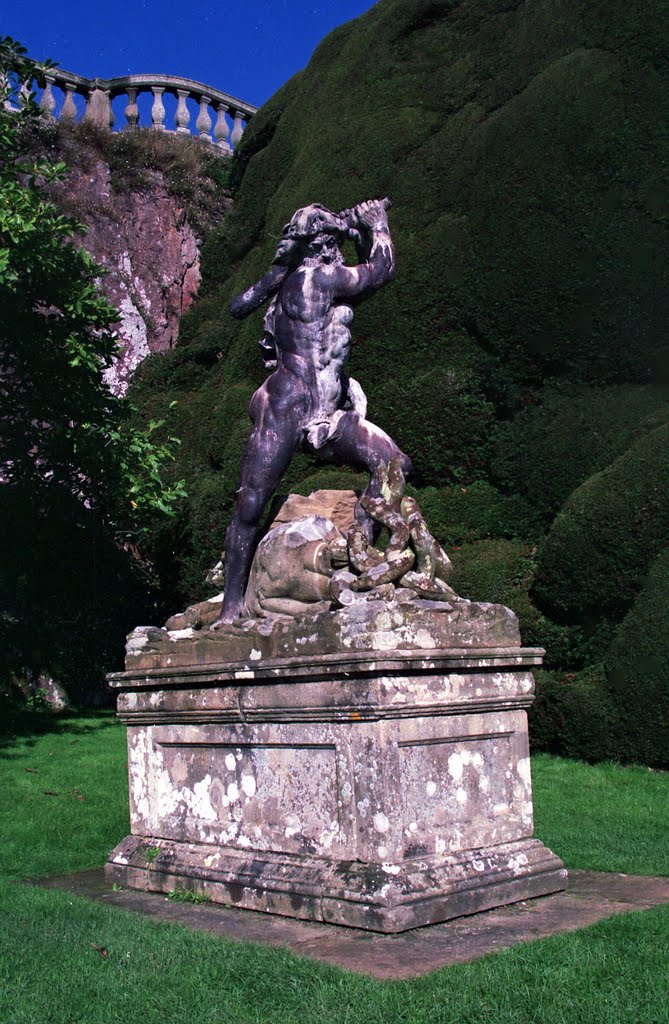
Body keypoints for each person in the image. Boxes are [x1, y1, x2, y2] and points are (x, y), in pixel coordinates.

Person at [212, 198, 411, 626]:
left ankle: (362, 555)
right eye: (333, 240)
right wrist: (377, 225)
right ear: (321, 244)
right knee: (251, 503)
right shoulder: (319, 278)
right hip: (289, 402)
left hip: (328, 407)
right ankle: (230, 607)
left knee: (392, 463)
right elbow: (380, 272)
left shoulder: (299, 276)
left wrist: (276, 271)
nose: (339, 246)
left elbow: (239, 305)